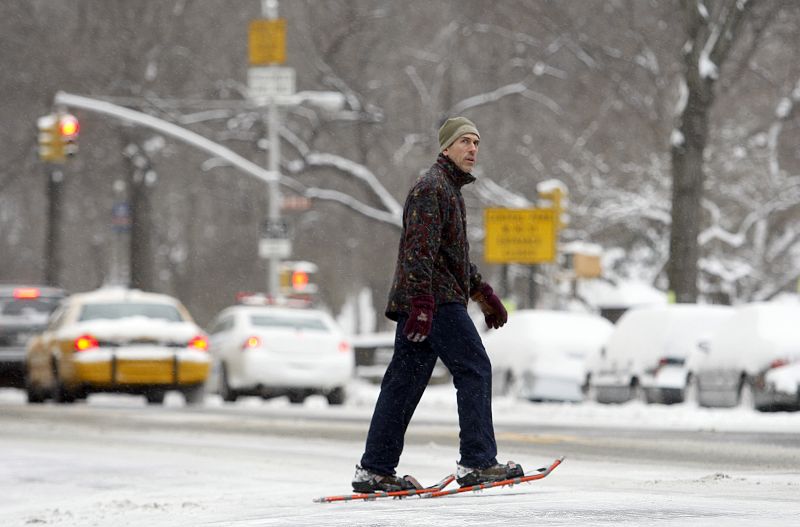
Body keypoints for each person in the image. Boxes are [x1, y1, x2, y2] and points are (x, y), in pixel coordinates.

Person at [352, 116, 520, 493]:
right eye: (464, 142)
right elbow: (418, 251)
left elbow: (451, 258)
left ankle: (376, 469)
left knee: (403, 384)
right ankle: (477, 462)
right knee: (475, 367)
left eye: (476, 142)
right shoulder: (433, 188)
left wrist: (483, 295)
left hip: (430, 301)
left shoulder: (448, 190)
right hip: (436, 302)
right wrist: (424, 302)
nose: (472, 149)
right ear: (446, 147)